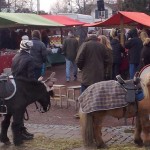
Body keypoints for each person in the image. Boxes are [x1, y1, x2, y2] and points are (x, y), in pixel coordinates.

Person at [11, 35, 35, 140]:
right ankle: (21, 132)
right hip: (23, 87)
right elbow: (30, 76)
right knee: (20, 111)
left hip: (15, 85)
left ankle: (22, 130)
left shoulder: (15, 57)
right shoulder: (29, 59)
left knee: (19, 111)